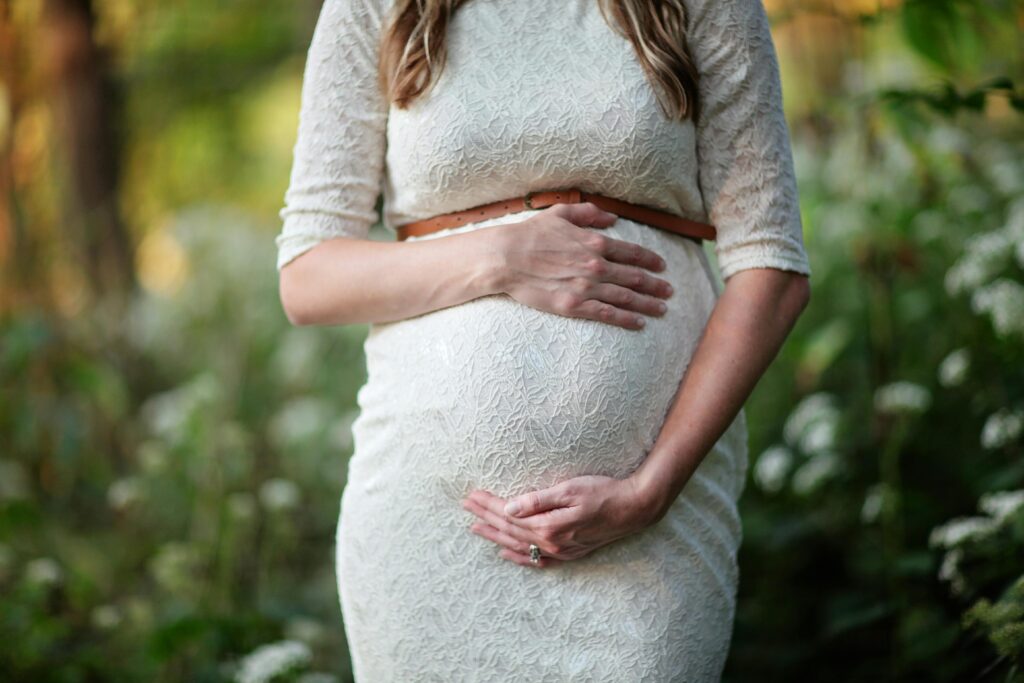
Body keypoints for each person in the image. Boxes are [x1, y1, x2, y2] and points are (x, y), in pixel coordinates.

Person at [274, 0, 811, 679]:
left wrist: (649, 490)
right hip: (427, 530)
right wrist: (501, 256)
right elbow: (309, 276)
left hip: (652, 531)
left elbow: (773, 266)